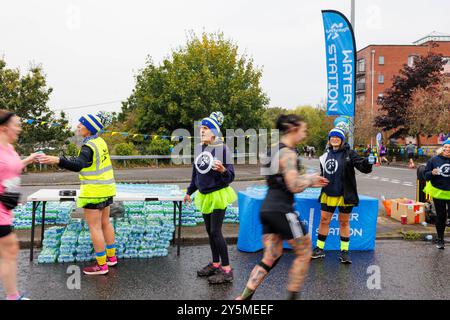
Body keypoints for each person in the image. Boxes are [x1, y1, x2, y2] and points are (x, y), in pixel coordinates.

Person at [236, 114, 328, 300]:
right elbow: (293, 185)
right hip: (283, 210)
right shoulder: (288, 153)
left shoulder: (272, 150)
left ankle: (244, 298)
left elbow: (279, 182)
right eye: (303, 130)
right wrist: (310, 179)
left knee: (271, 256)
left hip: (267, 209)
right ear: (292, 129)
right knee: (304, 252)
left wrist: (305, 180)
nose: (304, 134)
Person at [40, 112, 117, 275]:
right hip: (107, 189)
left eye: (81, 124)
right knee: (106, 224)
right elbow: (87, 162)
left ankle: (101, 266)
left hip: (94, 192)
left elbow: (80, 165)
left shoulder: (88, 146)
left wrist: (58, 160)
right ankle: (111, 258)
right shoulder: (100, 141)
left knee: (95, 228)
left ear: (88, 128)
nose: (78, 126)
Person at [183, 111, 237, 284]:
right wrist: (188, 192)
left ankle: (227, 270)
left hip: (218, 195)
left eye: (206, 128)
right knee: (209, 231)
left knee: (215, 231)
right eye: (201, 128)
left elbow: (231, 176)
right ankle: (215, 264)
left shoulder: (222, 149)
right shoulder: (200, 148)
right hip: (204, 195)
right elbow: (196, 174)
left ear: (214, 132)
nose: (202, 131)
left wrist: (222, 170)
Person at [311, 128, 374, 264]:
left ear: (341, 139)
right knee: (324, 221)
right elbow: (323, 174)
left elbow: (363, 167)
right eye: (332, 137)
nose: (334, 139)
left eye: (337, 137)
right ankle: (319, 249)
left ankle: (344, 252)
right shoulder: (324, 156)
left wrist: (368, 162)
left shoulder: (349, 154)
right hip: (328, 193)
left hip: (345, 195)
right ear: (329, 139)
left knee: (344, 222)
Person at [0, 110, 40, 300]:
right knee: (10, 248)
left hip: (6, 208)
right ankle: (12, 296)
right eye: (16, 124)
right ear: (3, 127)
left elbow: (12, 168)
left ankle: (12, 296)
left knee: (9, 250)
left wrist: (29, 159)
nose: (19, 128)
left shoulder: (8, 148)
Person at [423, 139, 450, 249]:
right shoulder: (434, 160)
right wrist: (432, 173)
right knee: (441, 216)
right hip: (438, 191)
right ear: (442, 148)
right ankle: (440, 239)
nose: (447, 149)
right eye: (446, 147)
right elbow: (425, 175)